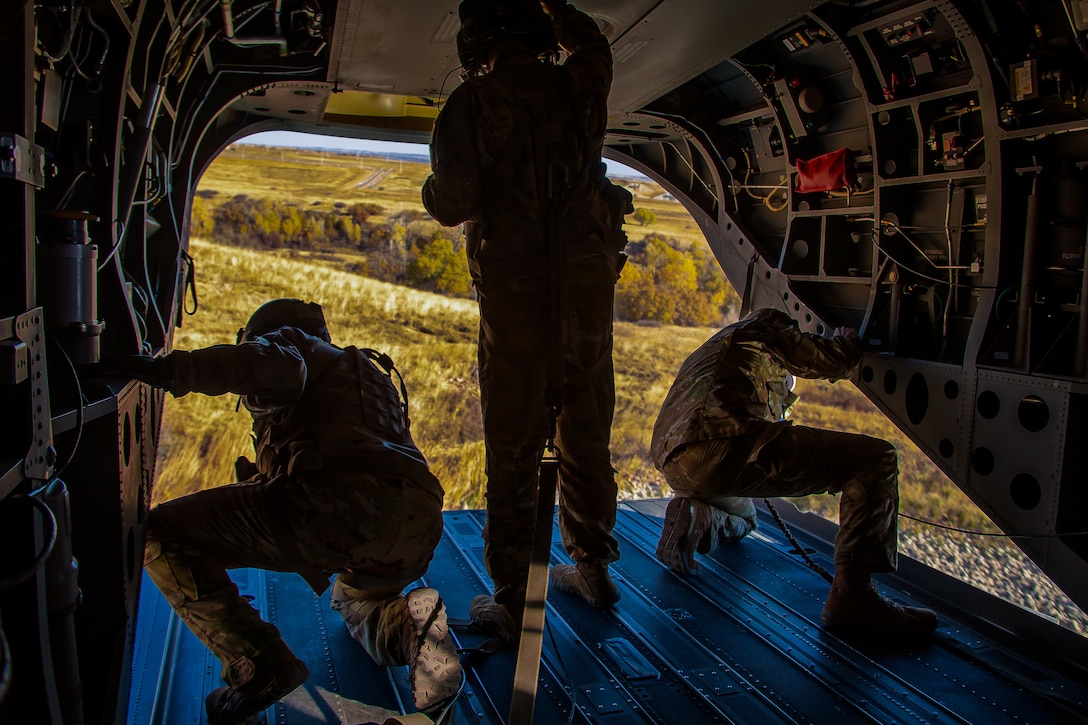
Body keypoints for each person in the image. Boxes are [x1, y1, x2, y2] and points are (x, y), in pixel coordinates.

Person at [105, 299, 463, 724]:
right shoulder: (368, 375)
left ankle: (256, 665)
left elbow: (274, 366)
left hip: (337, 509)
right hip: (418, 524)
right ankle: (413, 626)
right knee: (356, 602)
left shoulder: (292, 345)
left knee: (160, 533)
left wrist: (169, 370)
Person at [421, 0, 632, 642]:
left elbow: (450, 204)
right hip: (586, 309)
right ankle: (593, 567)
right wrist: (554, 5)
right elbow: (595, 46)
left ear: (476, 45)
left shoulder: (476, 105)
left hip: (518, 314)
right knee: (586, 438)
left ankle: (512, 600)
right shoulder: (580, 87)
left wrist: (444, 190)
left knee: (513, 454)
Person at [651, 307, 938, 637]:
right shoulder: (766, 324)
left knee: (746, 521)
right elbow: (827, 360)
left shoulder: (719, 350)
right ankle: (853, 596)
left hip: (678, 464)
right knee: (875, 458)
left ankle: (699, 517)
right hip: (724, 448)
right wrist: (845, 341)